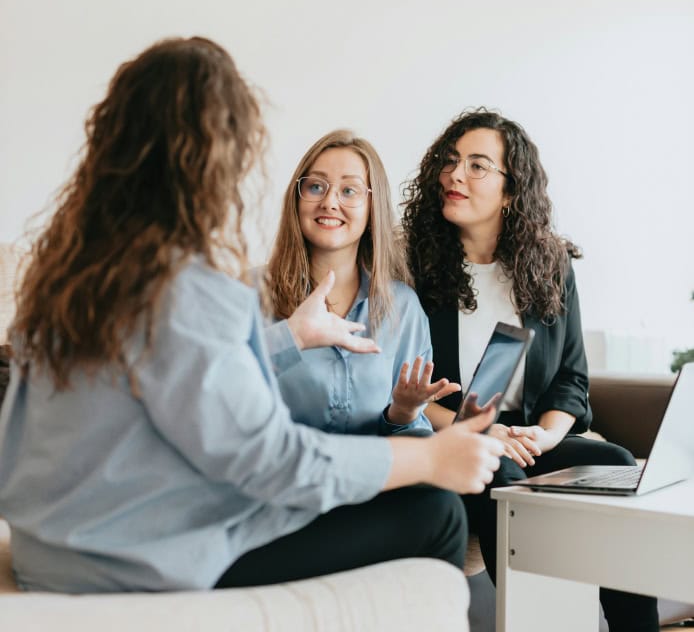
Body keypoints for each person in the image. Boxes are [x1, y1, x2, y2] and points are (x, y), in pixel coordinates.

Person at [0, 38, 504, 595]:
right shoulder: (194, 287)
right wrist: (431, 459)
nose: (329, 201)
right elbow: (272, 460)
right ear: (216, 157)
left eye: (348, 191)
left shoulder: (70, 277)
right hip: (142, 560)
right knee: (437, 515)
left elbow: (175, 378)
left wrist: (292, 342)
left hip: (48, 553)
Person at [401, 107, 659, 631]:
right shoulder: (413, 267)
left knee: (611, 460)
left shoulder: (549, 264)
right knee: (504, 474)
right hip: (456, 437)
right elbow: (405, 389)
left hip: (523, 435)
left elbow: (571, 378)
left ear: (512, 189)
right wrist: (485, 433)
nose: (455, 175)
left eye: (477, 166)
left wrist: (543, 437)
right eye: (450, 162)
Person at [261, 129, 461, 439]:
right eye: (315, 186)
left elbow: (412, 435)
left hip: (376, 475)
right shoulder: (251, 293)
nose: (329, 202)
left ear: (372, 207)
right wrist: (289, 338)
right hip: (285, 476)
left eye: (349, 191)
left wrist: (403, 413)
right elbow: (218, 394)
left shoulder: (402, 306)